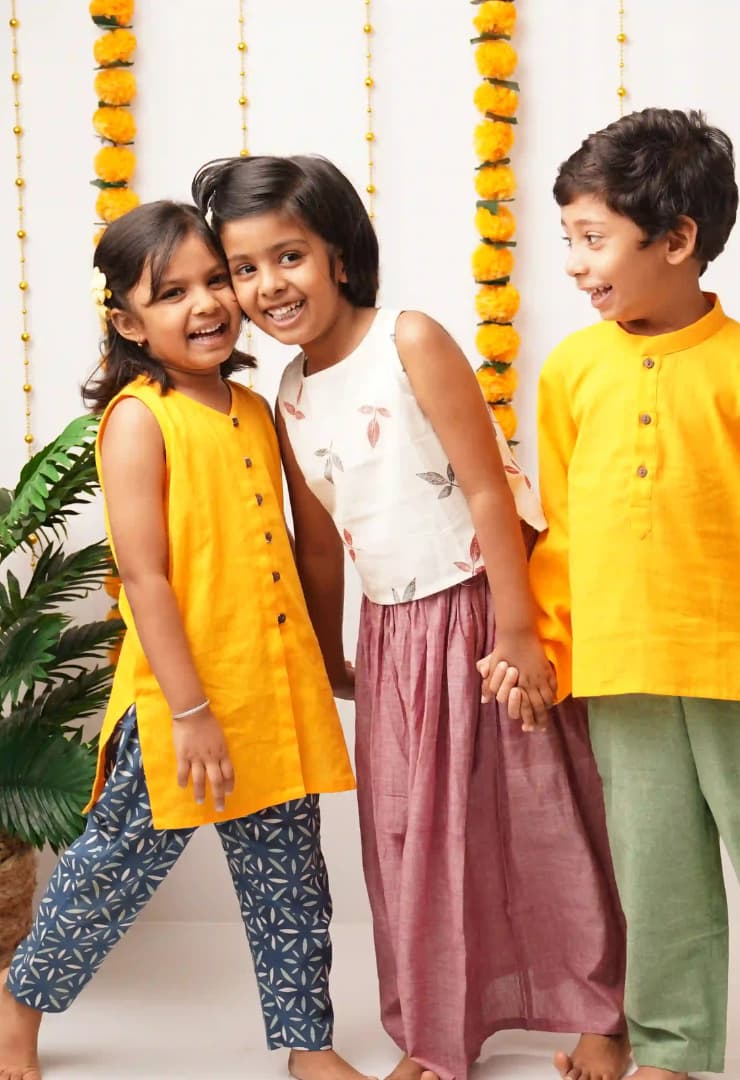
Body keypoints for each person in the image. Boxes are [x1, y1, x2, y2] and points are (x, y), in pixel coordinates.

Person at [191, 155, 628, 1080]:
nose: (268, 285)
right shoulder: (290, 398)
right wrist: (329, 655)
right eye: (244, 269)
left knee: (545, 815)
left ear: (340, 255)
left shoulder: (411, 339)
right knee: (412, 842)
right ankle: (439, 1033)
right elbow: (319, 545)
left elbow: (485, 489)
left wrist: (519, 634)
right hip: (393, 639)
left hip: (483, 608)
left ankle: (601, 1012)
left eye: (290, 256)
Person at [491, 108, 740, 1080]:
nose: (579, 265)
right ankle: (669, 1047)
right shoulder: (573, 369)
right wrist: (547, 648)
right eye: (570, 242)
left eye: (595, 240)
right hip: (625, 672)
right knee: (657, 880)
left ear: (676, 240)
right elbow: (564, 535)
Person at [0, 201, 371, 1080]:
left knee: (291, 886)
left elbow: (291, 548)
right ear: (128, 322)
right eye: (171, 293)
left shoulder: (253, 407)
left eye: (215, 280)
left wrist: (327, 655)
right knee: (107, 876)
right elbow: (147, 577)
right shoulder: (140, 418)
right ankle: (17, 1010)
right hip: (182, 706)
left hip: (271, 697)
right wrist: (193, 710)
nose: (205, 303)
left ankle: (308, 1048)